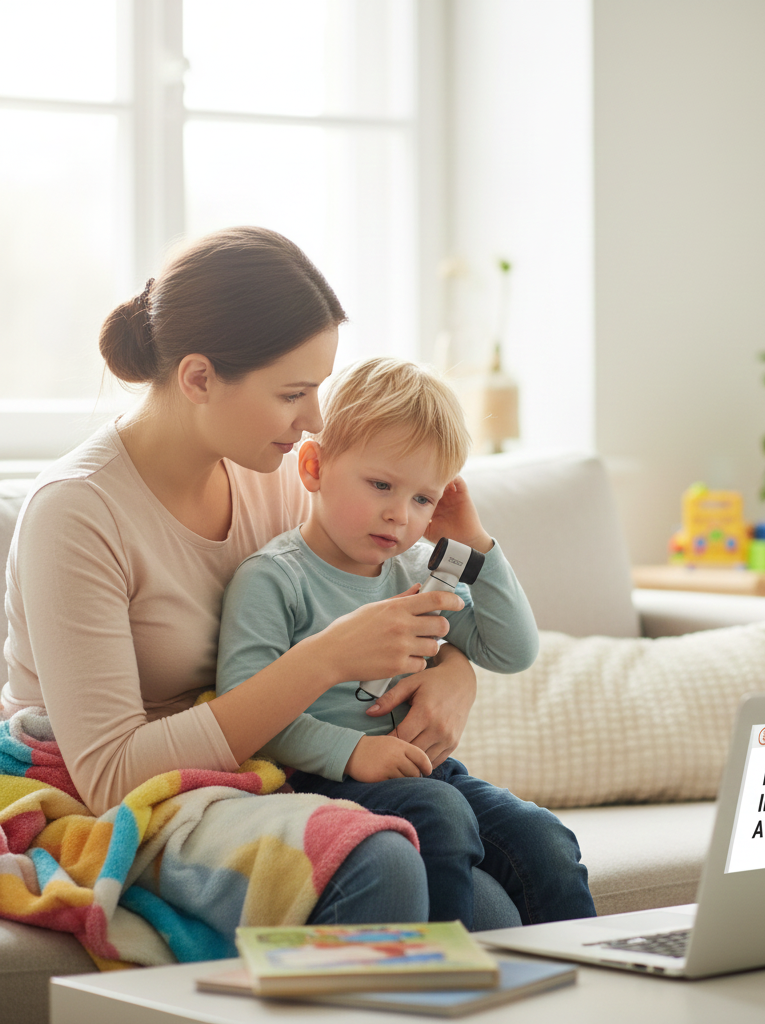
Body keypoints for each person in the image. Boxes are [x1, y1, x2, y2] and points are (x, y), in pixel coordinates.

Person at [0, 226, 507, 932]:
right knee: (385, 865)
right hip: (110, 796)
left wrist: (457, 672)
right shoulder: (77, 513)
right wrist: (325, 657)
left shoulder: (267, 475)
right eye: (293, 393)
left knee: (495, 903)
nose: (315, 420)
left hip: (254, 768)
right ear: (199, 378)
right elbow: (111, 777)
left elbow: (367, 592)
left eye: (319, 389)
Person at [215, 357, 596, 929]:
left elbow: (512, 651)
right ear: (314, 466)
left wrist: (475, 543)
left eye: (423, 499)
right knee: (440, 813)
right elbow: (248, 708)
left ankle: (585, 994)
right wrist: (355, 752)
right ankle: (436, 989)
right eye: (381, 485)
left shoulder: (417, 569)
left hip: (423, 773)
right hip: (319, 780)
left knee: (543, 838)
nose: (399, 515)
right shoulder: (274, 578)